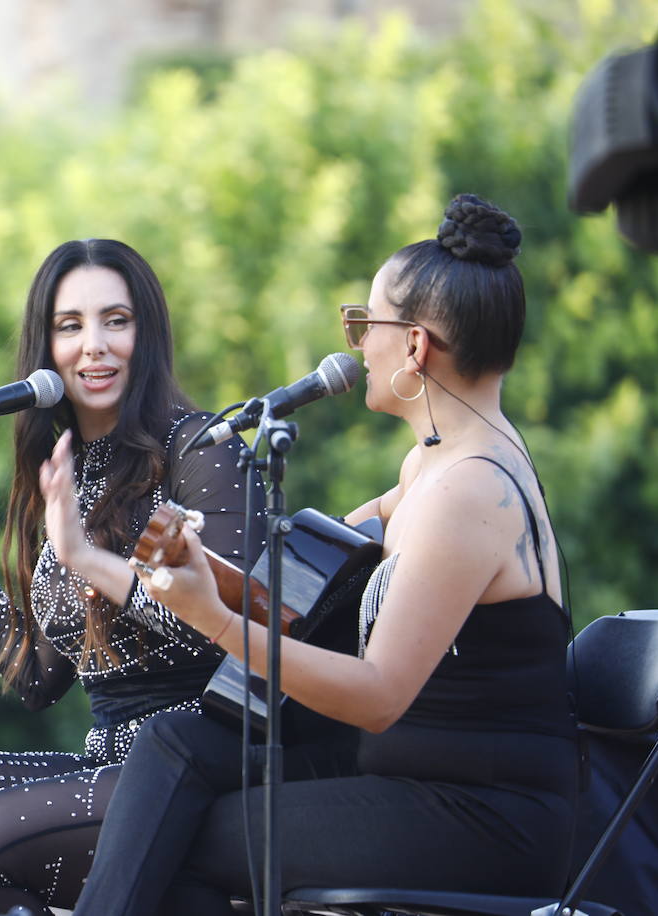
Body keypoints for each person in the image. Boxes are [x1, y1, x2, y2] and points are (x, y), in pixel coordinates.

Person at [73, 194, 578, 915]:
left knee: (179, 838)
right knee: (174, 743)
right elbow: (317, 579)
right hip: (407, 774)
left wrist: (212, 619)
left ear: (415, 346)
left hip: (479, 815)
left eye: (364, 324)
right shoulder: (434, 467)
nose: (354, 345)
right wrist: (195, 568)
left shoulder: (470, 492)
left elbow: (377, 696)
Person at [0, 238, 266, 914]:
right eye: (70, 326)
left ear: (148, 333)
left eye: (117, 320)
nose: (95, 346)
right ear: (44, 348)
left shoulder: (202, 451)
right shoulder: (62, 469)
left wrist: (87, 558)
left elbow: (237, 628)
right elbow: (37, 678)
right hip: (103, 762)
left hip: (196, 762)